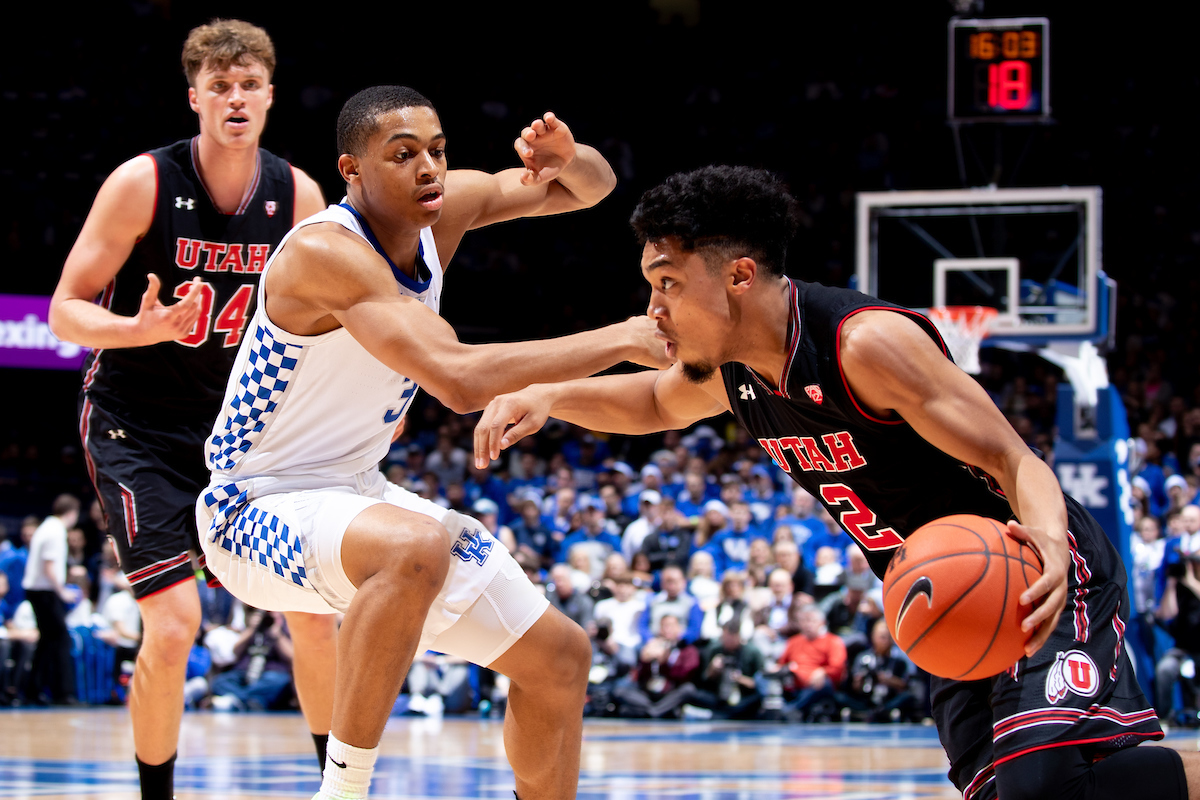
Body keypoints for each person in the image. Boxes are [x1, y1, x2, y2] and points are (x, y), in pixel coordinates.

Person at [474, 164, 1199, 799]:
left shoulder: (864, 346)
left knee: (1044, 787)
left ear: (739, 275)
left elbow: (1016, 461)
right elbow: (658, 403)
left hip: (1026, 563)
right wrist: (553, 397)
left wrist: (1044, 545)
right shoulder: (740, 374)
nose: (654, 308)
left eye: (667, 284)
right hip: (938, 595)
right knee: (1011, 795)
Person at [194, 85, 669, 800]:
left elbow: (588, 189)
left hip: (355, 491)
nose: (430, 169)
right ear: (352, 169)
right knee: (415, 545)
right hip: (250, 508)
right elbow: (457, 379)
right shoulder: (326, 253)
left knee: (560, 658)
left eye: (439, 151)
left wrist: (574, 156)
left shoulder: (446, 207)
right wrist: (622, 339)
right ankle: (344, 791)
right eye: (404, 154)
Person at [46, 19, 336, 796]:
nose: (235, 99)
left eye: (248, 86)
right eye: (220, 87)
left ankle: (340, 787)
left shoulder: (299, 194)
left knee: (313, 615)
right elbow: (64, 311)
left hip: (239, 428)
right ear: (195, 99)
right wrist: (136, 330)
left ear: (270, 97)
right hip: (133, 420)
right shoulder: (141, 182)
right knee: (174, 628)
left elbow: (328, 316)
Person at [21, 494, 81, 704]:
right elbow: (49, 565)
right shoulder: (55, 531)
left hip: (39, 590)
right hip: (45, 591)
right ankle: (63, 693)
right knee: (61, 639)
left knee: (47, 641)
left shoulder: (47, 527)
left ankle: (33, 689)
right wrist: (62, 590)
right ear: (72, 513)